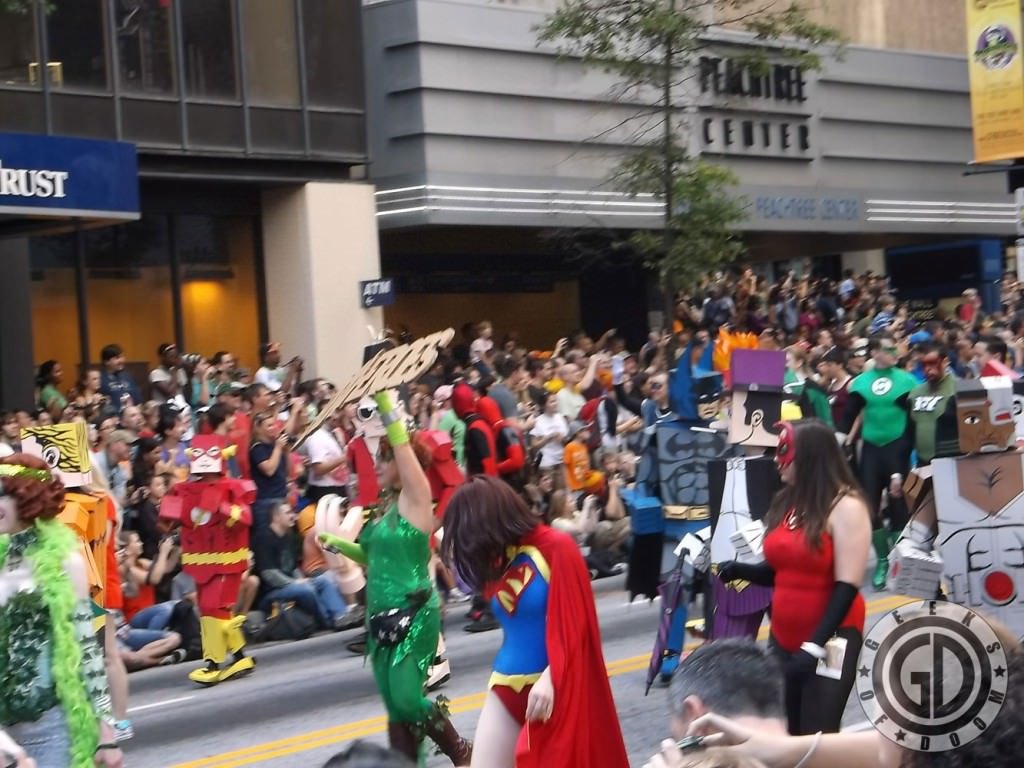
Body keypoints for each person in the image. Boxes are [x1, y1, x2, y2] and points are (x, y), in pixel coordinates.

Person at [319, 390, 472, 765]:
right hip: (380, 614)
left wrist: (386, 406)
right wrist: (338, 545)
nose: (376, 463)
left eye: (382, 458)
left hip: (413, 612)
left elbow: (404, 449)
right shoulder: (385, 512)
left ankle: (459, 749)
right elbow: (372, 557)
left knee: (407, 698)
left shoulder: (416, 500)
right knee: (395, 707)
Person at [440, 474, 629, 768]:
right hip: (506, 685)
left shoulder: (556, 547)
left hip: (556, 688)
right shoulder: (498, 560)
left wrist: (552, 677)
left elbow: (577, 626)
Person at [718, 420, 870, 736]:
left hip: (833, 640)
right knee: (786, 735)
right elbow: (783, 571)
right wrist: (739, 571)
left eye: (784, 451)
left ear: (810, 457)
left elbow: (846, 586)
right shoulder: (789, 503)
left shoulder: (847, 507)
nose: (776, 459)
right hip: (784, 639)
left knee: (817, 737)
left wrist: (815, 645)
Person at [0, 453, 124, 768]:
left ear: (26, 496)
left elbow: (88, 650)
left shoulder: (65, 562)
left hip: (52, 730)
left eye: (3, 492)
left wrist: (106, 734)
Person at [839, 332, 917, 589]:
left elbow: (913, 423)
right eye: (887, 349)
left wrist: (902, 457)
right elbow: (848, 416)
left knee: (898, 506)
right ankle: (883, 559)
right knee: (870, 507)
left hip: (898, 447)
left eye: (895, 349)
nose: (893, 354)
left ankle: (900, 559)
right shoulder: (861, 383)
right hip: (871, 449)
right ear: (873, 353)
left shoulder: (906, 381)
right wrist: (838, 441)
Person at [251, 501, 353, 630]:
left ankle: (341, 616)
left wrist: (301, 579)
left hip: (291, 584)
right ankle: (328, 621)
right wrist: (296, 582)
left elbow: (293, 567)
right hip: (270, 593)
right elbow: (270, 575)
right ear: (276, 517)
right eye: (288, 513)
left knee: (323, 582)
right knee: (306, 590)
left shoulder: (288, 536)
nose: (293, 516)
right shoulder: (263, 538)